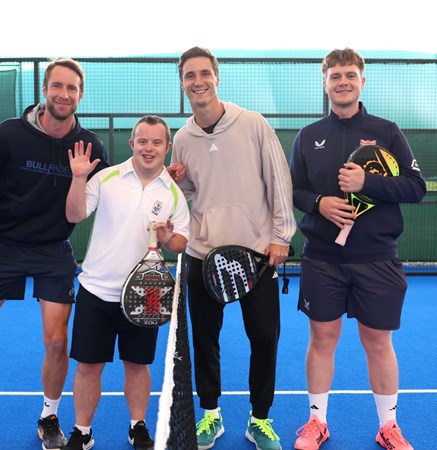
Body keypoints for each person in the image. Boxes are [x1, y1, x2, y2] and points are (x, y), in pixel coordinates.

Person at [0, 58, 109, 450]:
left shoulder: (91, 146)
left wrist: (164, 181)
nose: (64, 94)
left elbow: (115, 192)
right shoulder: (11, 133)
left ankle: (49, 417)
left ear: (80, 95)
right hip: (2, 247)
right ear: (45, 91)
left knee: (55, 341)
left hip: (53, 251)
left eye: (72, 88)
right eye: (57, 86)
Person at [288, 48, 426, 450]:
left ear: (362, 81)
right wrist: (319, 204)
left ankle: (388, 426)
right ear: (325, 82)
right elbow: (293, 189)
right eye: (335, 76)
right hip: (322, 259)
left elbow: (417, 188)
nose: (342, 82)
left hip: (377, 258)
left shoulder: (388, 131)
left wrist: (368, 182)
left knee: (378, 342)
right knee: (322, 338)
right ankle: (316, 423)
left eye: (350, 75)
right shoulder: (308, 135)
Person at [168, 47, 296, 450]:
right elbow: (191, 192)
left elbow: (279, 180)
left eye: (204, 73)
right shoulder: (183, 137)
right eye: (190, 75)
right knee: (205, 340)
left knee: (264, 338)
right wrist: (178, 182)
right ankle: (211, 415)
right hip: (203, 255)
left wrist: (282, 236)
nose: (198, 81)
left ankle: (260, 420)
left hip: (256, 255)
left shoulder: (253, 123)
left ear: (217, 77)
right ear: (183, 82)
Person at [61, 115, 190, 450]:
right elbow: (74, 214)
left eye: (156, 142)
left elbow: (181, 244)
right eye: (142, 141)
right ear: (132, 144)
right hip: (96, 289)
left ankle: (138, 427)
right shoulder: (106, 178)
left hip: (146, 295)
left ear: (167, 147)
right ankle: (82, 432)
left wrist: (168, 239)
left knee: (138, 365)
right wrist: (78, 178)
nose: (149, 148)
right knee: (89, 366)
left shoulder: (174, 194)